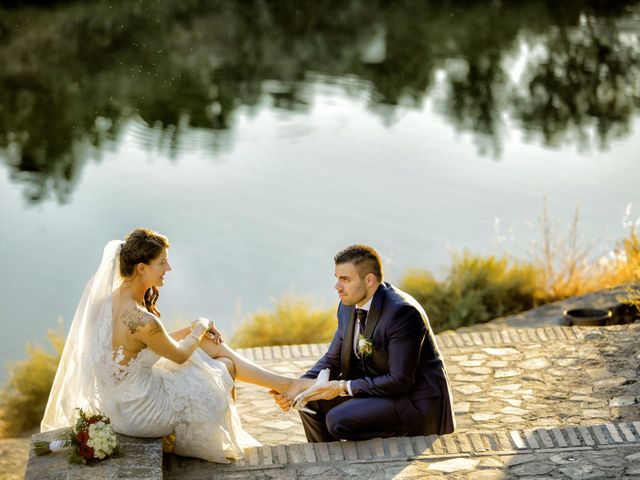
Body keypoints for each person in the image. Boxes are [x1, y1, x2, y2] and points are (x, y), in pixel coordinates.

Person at [41, 228, 314, 463]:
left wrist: (194, 330)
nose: (168, 269)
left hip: (117, 407)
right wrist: (200, 324)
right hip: (142, 413)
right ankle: (277, 393)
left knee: (208, 346)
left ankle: (286, 385)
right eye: (163, 263)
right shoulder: (143, 319)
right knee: (223, 366)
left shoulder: (105, 303)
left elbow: (141, 344)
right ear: (142, 269)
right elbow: (180, 354)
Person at [272, 244, 455, 442]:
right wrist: (298, 389)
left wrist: (342, 387)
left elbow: (400, 380)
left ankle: (396, 442)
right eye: (337, 278)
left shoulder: (402, 313)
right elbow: (332, 360)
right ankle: (328, 466)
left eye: (345, 279)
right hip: (375, 388)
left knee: (338, 420)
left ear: (369, 280)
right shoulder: (348, 305)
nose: (337, 287)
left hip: (412, 401)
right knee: (308, 403)